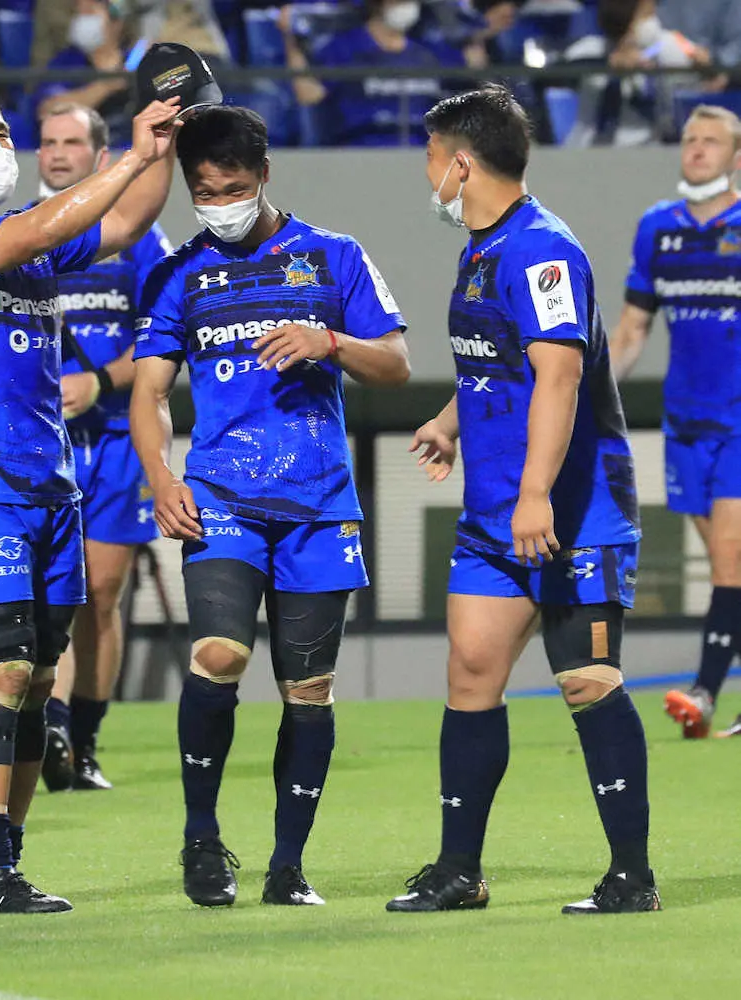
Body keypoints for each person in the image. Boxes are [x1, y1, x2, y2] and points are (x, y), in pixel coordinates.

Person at [0, 86, 179, 914]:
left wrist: (162, 146)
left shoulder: (29, 242)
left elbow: (126, 223)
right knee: (2, 669)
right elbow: (39, 229)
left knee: (37, 678)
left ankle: (9, 866)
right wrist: (129, 158)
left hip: (50, 487)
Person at [387, 86, 658, 916]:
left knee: (587, 681)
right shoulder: (483, 248)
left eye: (431, 157)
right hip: (494, 515)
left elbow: (560, 376)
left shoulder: (542, 252)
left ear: (462, 164)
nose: (427, 174)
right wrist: (450, 421)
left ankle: (632, 878)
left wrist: (537, 493)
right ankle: (458, 871)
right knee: (471, 672)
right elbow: (497, 364)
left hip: (571, 512)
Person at [130, 105, 410, 908]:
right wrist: (161, 477)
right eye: (203, 191)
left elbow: (396, 364)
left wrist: (331, 343)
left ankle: (288, 866)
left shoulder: (333, 255)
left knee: (308, 689)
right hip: (221, 496)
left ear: (264, 175)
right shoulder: (176, 274)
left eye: (233, 188)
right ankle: (201, 840)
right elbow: (149, 394)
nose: (218, 204)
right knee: (220, 655)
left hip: (319, 503)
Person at [30, 102, 172, 793]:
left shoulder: (137, 238)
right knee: (45, 589)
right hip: (38, 439)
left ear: (100, 154)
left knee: (103, 591)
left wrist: (99, 381)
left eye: (71, 141)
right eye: (47, 141)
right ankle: (48, 724)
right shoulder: (22, 229)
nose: (58, 153)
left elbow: (167, 341)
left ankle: (82, 740)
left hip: (114, 435)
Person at [611, 104, 741, 739]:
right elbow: (634, 328)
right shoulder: (656, 227)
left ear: (736, 156)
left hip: (739, 418)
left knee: (730, 562)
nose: (697, 149)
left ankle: (705, 693)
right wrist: (588, 396)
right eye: (690, 138)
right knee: (727, 565)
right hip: (685, 422)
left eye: (711, 140)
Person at [280, 0, 462, 146]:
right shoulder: (344, 48)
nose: (408, 6)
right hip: (362, 150)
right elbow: (309, 94)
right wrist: (291, 40)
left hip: (420, 154)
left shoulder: (428, 54)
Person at [35, 1, 131, 147]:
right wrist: (105, 86)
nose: (82, 20)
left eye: (90, 13)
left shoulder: (134, 61)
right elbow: (48, 111)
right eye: (78, 13)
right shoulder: (65, 61)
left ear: (115, 23)